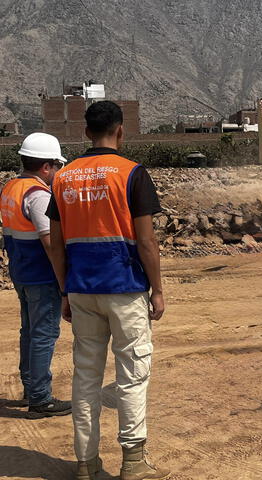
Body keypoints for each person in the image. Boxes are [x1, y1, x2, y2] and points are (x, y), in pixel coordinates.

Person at [47, 101, 170, 480]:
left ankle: (86, 464)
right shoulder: (131, 173)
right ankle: (133, 463)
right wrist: (158, 290)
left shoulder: (63, 178)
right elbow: (146, 242)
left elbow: (56, 242)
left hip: (82, 290)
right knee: (132, 373)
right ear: (121, 130)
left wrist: (65, 290)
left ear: (86, 133)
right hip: (124, 287)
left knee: (85, 376)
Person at [0, 132, 71, 418]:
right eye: (57, 167)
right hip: (42, 276)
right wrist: (65, 285)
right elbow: (50, 244)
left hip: (21, 272)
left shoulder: (10, 188)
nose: (57, 172)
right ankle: (40, 398)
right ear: (46, 166)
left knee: (29, 332)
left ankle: (32, 389)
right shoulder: (39, 196)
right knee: (43, 334)